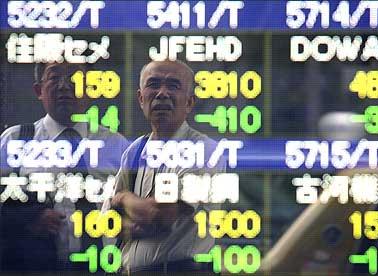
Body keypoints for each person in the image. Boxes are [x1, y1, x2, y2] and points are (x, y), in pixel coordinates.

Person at [0, 62, 129, 272]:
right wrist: (27, 219)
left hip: (104, 267)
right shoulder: (15, 140)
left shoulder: (116, 145)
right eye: (54, 77)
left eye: (75, 78)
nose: (64, 86)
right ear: (38, 90)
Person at [104, 60, 226, 274]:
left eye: (173, 86)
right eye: (153, 84)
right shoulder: (134, 151)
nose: (162, 93)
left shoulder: (204, 150)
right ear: (141, 99)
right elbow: (109, 223)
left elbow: (160, 214)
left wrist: (124, 198)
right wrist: (130, 218)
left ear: (189, 102)